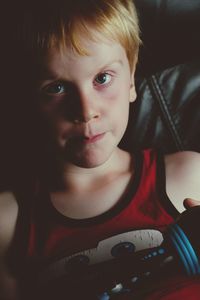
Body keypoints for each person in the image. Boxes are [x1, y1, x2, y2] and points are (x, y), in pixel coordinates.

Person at [0, 0, 200, 299]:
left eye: (102, 78)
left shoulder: (188, 175)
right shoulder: (10, 222)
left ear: (132, 80)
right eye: (56, 88)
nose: (85, 110)